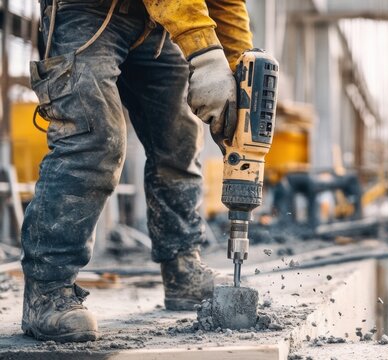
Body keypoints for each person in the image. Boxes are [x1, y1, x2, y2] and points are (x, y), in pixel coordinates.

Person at [21, 0, 252, 342]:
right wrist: (204, 51)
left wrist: (241, 73)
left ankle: (182, 268)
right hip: (88, 10)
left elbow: (225, 2)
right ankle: (47, 291)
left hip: (159, 24)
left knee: (178, 142)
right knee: (94, 140)